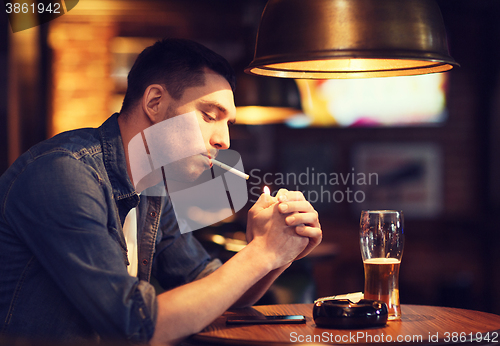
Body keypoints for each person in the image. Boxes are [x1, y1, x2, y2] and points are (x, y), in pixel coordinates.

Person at [0, 38, 322, 345]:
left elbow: (209, 287)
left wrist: (279, 251)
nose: (224, 140)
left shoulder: (152, 185)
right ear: (155, 102)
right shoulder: (64, 174)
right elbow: (135, 325)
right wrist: (261, 253)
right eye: (209, 116)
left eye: (228, 124)